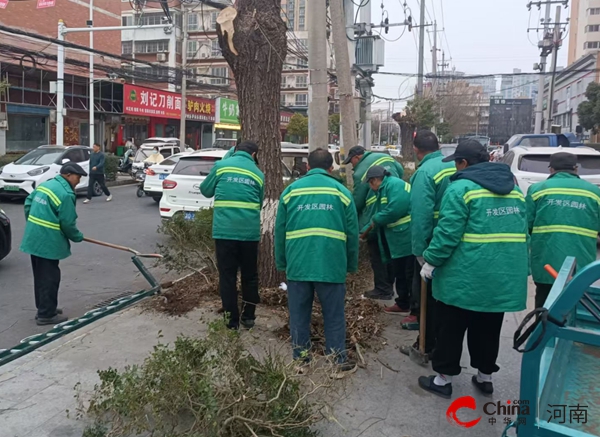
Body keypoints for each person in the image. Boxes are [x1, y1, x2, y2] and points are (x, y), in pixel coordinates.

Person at [417, 140, 528, 398]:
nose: (456, 168)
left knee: (451, 328)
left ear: (464, 163)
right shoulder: (513, 190)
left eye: (457, 162)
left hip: (464, 277)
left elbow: (447, 234)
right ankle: (484, 377)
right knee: (488, 328)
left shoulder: (461, 189)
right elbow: (523, 233)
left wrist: (431, 261)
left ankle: (443, 380)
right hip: (501, 277)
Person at [275, 148, 359, 375]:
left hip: (298, 263)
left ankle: (301, 362)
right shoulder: (342, 193)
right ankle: (336, 362)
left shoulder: (290, 192)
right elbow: (352, 234)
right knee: (333, 314)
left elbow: (279, 231)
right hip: (331, 264)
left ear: (308, 167)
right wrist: (351, 265)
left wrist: (282, 263)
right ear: (331, 169)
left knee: (299, 315)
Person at [400, 130, 456, 355]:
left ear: (416, 150)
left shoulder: (425, 172)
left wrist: (420, 252)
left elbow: (421, 215)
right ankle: (443, 343)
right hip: (454, 241)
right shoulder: (455, 166)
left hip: (432, 243)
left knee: (428, 296)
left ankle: (426, 344)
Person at [200, 141, 264, 330]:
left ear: (234, 151)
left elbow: (205, 191)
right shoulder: (258, 174)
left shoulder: (221, 167)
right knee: (250, 276)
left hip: (225, 232)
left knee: (227, 276)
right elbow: (259, 204)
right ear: (253, 155)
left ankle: (231, 321)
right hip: (249, 234)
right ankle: (249, 317)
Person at [526, 152, 600, 308]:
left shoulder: (538, 190)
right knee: (576, 306)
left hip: (546, 263)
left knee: (544, 308)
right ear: (576, 169)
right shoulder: (594, 193)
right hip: (581, 264)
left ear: (551, 169)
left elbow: (526, 225)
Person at [20, 163, 88, 326]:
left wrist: (35, 225)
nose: (78, 181)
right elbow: (67, 223)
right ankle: (46, 314)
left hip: (33, 238)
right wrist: (77, 237)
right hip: (47, 242)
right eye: (78, 177)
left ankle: (44, 307)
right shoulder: (65, 193)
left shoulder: (46, 185)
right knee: (50, 278)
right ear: (68, 175)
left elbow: (28, 204)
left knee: (40, 276)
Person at [343, 146, 404, 301]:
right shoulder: (386, 158)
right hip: (391, 208)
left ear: (358, 156)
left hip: (376, 210)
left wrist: (350, 217)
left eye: (352, 161)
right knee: (388, 250)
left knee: (376, 248)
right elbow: (400, 170)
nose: (353, 165)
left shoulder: (360, 171)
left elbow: (357, 200)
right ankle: (389, 286)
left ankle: (383, 288)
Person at [361, 166, 414, 316]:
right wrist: (364, 230)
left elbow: (395, 209)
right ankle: (403, 302)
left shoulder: (394, 185)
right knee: (400, 272)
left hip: (405, 236)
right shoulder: (384, 189)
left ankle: (412, 306)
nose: (371, 188)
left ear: (374, 180)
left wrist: (376, 220)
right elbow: (378, 213)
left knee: (407, 273)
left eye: (370, 184)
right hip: (397, 238)